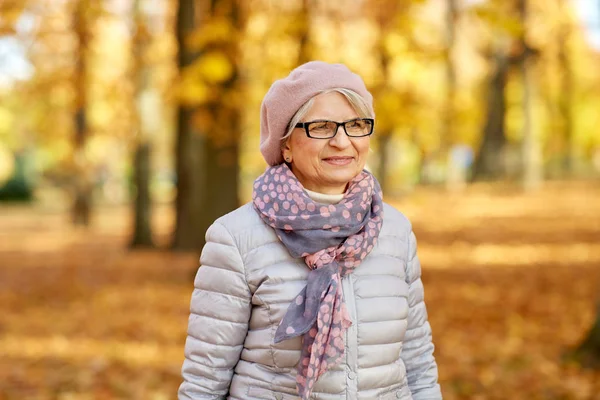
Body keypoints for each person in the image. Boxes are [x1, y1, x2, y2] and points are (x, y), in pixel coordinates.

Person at [178, 61, 442, 400]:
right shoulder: (235, 238)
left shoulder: (395, 231)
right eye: (322, 126)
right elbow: (204, 382)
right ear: (285, 145)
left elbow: (417, 361)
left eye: (357, 124)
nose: (342, 141)